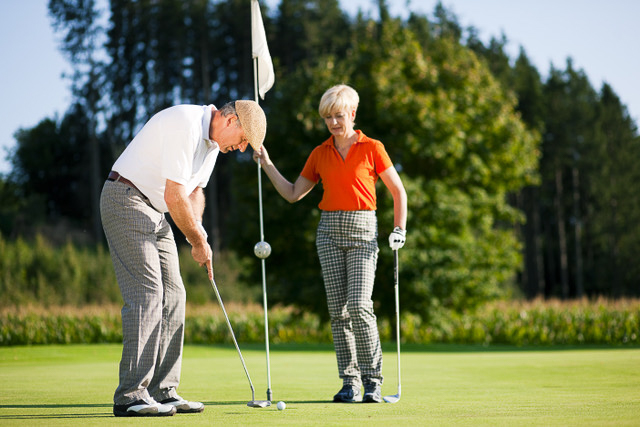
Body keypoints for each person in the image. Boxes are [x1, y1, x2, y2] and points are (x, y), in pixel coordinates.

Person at [100, 100, 267, 417]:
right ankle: (130, 395)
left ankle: (162, 391)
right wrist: (195, 241)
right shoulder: (185, 123)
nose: (243, 148)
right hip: (125, 199)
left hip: (154, 212)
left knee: (175, 295)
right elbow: (174, 195)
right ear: (230, 120)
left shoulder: (213, 145)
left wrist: (200, 233)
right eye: (244, 139)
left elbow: (194, 193)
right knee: (148, 294)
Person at [253, 84, 407, 403]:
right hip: (329, 233)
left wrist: (399, 229)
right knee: (338, 311)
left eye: (339, 116)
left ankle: (373, 380)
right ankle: (349, 382)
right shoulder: (320, 153)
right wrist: (267, 163)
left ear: (352, 113)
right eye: (328, 118)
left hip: (364, 232)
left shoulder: (373, 148)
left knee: (360, 305)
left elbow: (398, 192)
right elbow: (294, 193)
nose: (334, 123)